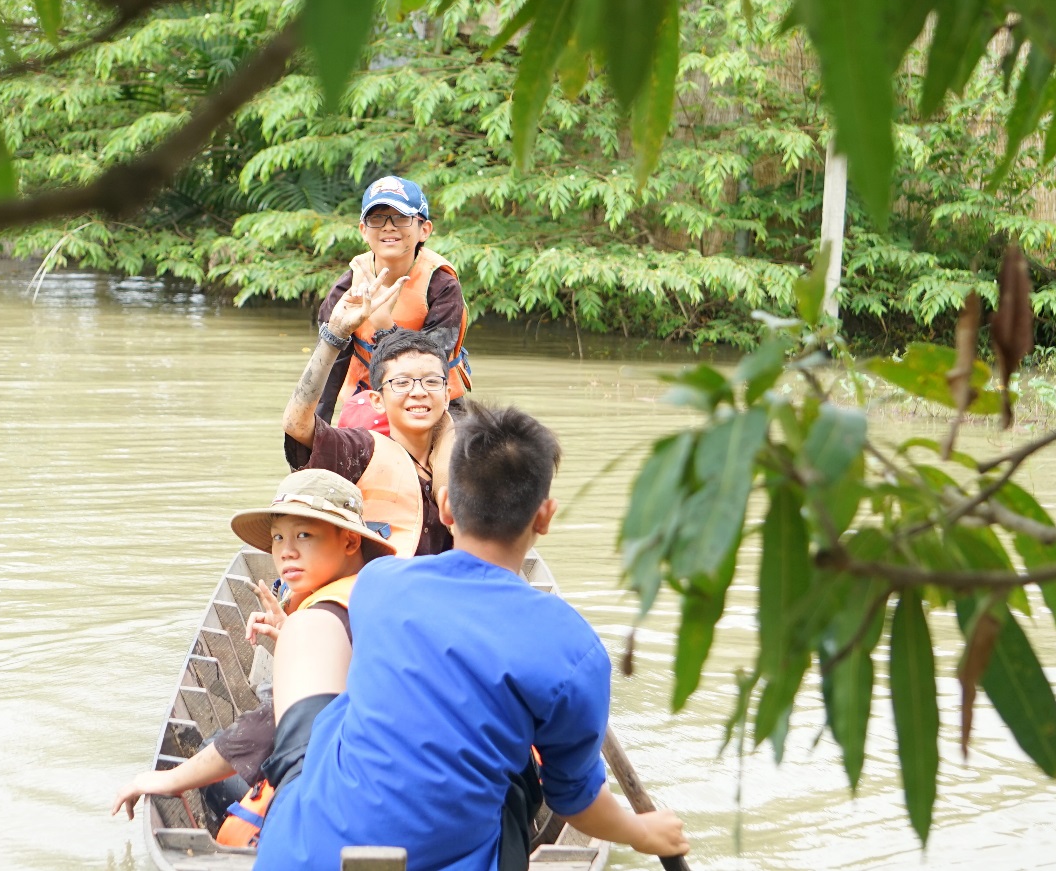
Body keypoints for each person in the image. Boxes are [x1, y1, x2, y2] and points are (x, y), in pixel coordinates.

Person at [253, 402, 689, 871]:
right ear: (544, 516)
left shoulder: (379, 584)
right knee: (521, 770)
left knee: (316, 635)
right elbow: (575, 804)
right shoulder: (574, 648)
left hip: (299, 853)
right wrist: (644, 832)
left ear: (444, 506)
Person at [110, 469, 396, 834]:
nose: (286, 551)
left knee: (214, 757)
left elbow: (274, 726)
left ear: (350, 542)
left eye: (304, 534)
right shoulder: (373, 590)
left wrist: (171, 780)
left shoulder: (328, 613)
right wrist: (294, 639)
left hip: (352, 799)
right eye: (278, 537)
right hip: (387, 775)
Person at [284, 272, 456, 558]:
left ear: (447, 395)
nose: (418, 392)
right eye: (401, 383)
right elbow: (296, 423)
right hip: (369, 593)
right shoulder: (360, 451)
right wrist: (334, 335)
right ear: (377, 400)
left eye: (431, 381)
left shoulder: (466, 457)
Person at [313, 175, 471, 427]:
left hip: (434, 399)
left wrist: (385, 326)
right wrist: (316, 430)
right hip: (369, 394)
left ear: (424, 230)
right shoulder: (348, 286)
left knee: (463, 455)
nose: (388, 227)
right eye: (377, 219)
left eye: (401, 218)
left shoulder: (442, 285)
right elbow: (329, 363)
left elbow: (427, 367)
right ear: (364, 231)